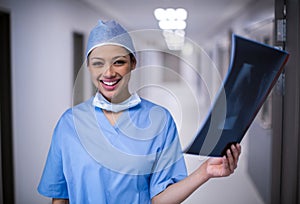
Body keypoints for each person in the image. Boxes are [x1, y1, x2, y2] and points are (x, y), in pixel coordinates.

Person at [38, 20, 241, 204]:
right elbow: (60, 198)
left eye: (118, 62)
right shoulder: (69, 124)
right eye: (98, 63)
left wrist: (204, 172)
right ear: (89, 67)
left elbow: (160, 199)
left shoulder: (160, 120)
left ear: (133, 63)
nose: (108, 73)